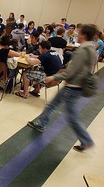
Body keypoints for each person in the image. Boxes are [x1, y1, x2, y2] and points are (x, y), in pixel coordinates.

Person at [27, 24, 97, 152]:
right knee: (52, 105)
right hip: (77, 85)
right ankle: (41, 123)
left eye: (79, 33)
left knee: (72, 116)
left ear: (84, 35)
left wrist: (53, 77)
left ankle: (86, 141)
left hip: (73, 86)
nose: (77, 35)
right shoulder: (92, 48)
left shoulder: (83, 50)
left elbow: (71, 71)